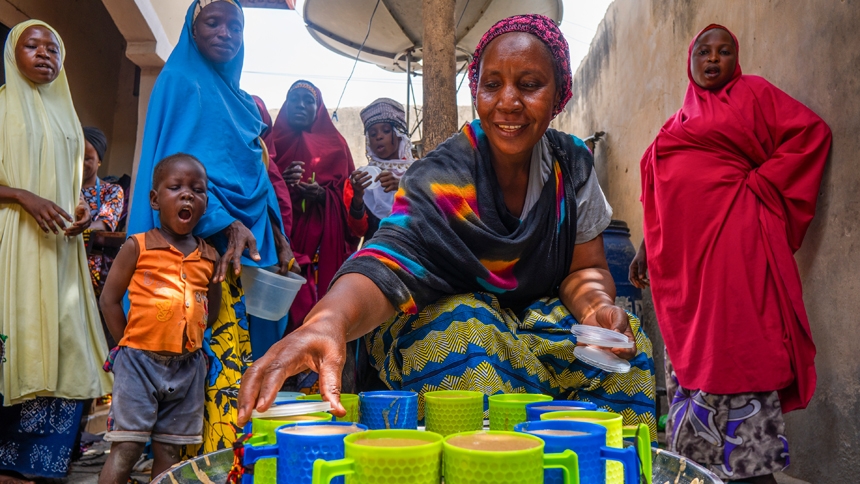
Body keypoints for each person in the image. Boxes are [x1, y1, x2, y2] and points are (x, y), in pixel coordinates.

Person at [239, 15, 657, 440]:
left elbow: (584, 268)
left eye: (529, 84)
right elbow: (387, 262)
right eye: (492, 85)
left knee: (625, 350)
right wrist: (327, 323)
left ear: (559, 96)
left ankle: (598, 465)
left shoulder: (572, 166)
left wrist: (595, 309)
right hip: (449, 326)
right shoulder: (442, 173)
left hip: (531, 326)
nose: (508, 102)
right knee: (464, 333)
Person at [629, 25, 831, 483]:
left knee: (739, 341)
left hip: (736, 251)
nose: (713, 59)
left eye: (724, 52)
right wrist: (645, 247)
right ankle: (698, 466)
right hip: (684, 268)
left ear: (736, 59)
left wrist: (760, 186)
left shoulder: (755, 95)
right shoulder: (677, 122)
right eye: (704, 51)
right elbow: (665, 189)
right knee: (692, 350)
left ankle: (752, 468)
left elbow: (810, 134)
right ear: (690, 59)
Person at [126, 0, 296, 454]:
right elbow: (177, 174)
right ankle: (196, 455)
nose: (225, 33)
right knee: (207, 352)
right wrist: (224, 220)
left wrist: (277, 235)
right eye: (212, 23)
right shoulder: (181, 82)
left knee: (248, 353)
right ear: (192, 30)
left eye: (234, 26)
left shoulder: (241, 102)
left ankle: (239, 450)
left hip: (250, 246)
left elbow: (258, 178)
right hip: (199, 251)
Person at [0, 20, 112, 482]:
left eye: (54, 48)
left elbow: (73, 187)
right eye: (33, 45)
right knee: (17, 334)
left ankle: (39, 464)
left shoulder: (68, 117)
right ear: (12, 53)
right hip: (13, 240)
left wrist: (80, 210)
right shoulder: (2, 107)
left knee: (63, 344)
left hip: (60, 251)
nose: (46, 54)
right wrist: (23, 196)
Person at [98, 154, 220, 484]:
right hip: (137, 363)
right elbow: (109, 300)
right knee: (126, 448)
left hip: (188, 367)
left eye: (197, 189)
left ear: (205, 203)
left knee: (170, 452)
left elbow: (212, 306)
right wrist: (127, 345)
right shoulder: (138, 246)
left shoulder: (209, 256)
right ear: (155, 199)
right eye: (175, 187)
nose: (187, 195)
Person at [271, 80, 358, 333]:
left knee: (317, 318)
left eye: (309, 100)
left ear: (318, 108)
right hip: (283, 244)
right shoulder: (272, 144)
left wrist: (323, 195)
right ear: (286, 105)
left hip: (322, 246)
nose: (301, 104)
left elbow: (351, 203)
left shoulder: (337, 146)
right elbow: (259, 192)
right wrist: (281, 183)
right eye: (294, 99)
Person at [346, 98, 416, 241]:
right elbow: (358, 231)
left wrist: (403, 185)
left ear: (398, 134)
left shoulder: (418, 171)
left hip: (414, 250)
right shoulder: (363, 177)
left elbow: (433, 216)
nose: (378, 136)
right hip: (376, 252)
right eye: (372, 134)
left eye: (385, 130)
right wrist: (358, 196)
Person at [81, 127, 124, 296]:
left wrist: (74, 228)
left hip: (91, 269)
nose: (80, 163)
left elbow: (104, 224)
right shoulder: (61, 187)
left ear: (99, 160)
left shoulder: (112, 191)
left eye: (87, 158)